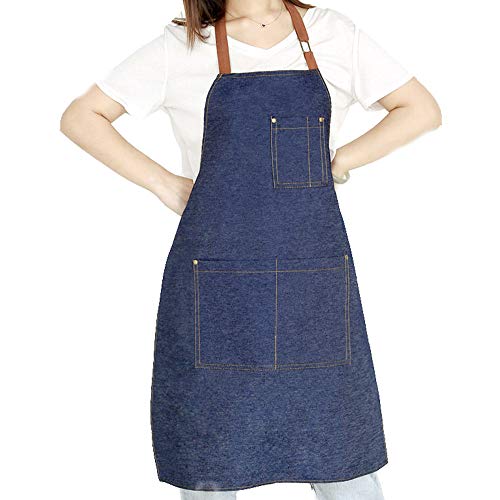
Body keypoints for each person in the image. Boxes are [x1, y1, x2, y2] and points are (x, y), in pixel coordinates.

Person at [60, 1, 441, 498]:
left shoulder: (330, 32)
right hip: (216, 291)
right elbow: (81, 117)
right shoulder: (184, 47)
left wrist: (339, 160)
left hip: (313, 290)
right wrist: (165, 184)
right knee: (210, 465)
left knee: (342, 461)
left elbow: (421, 109)